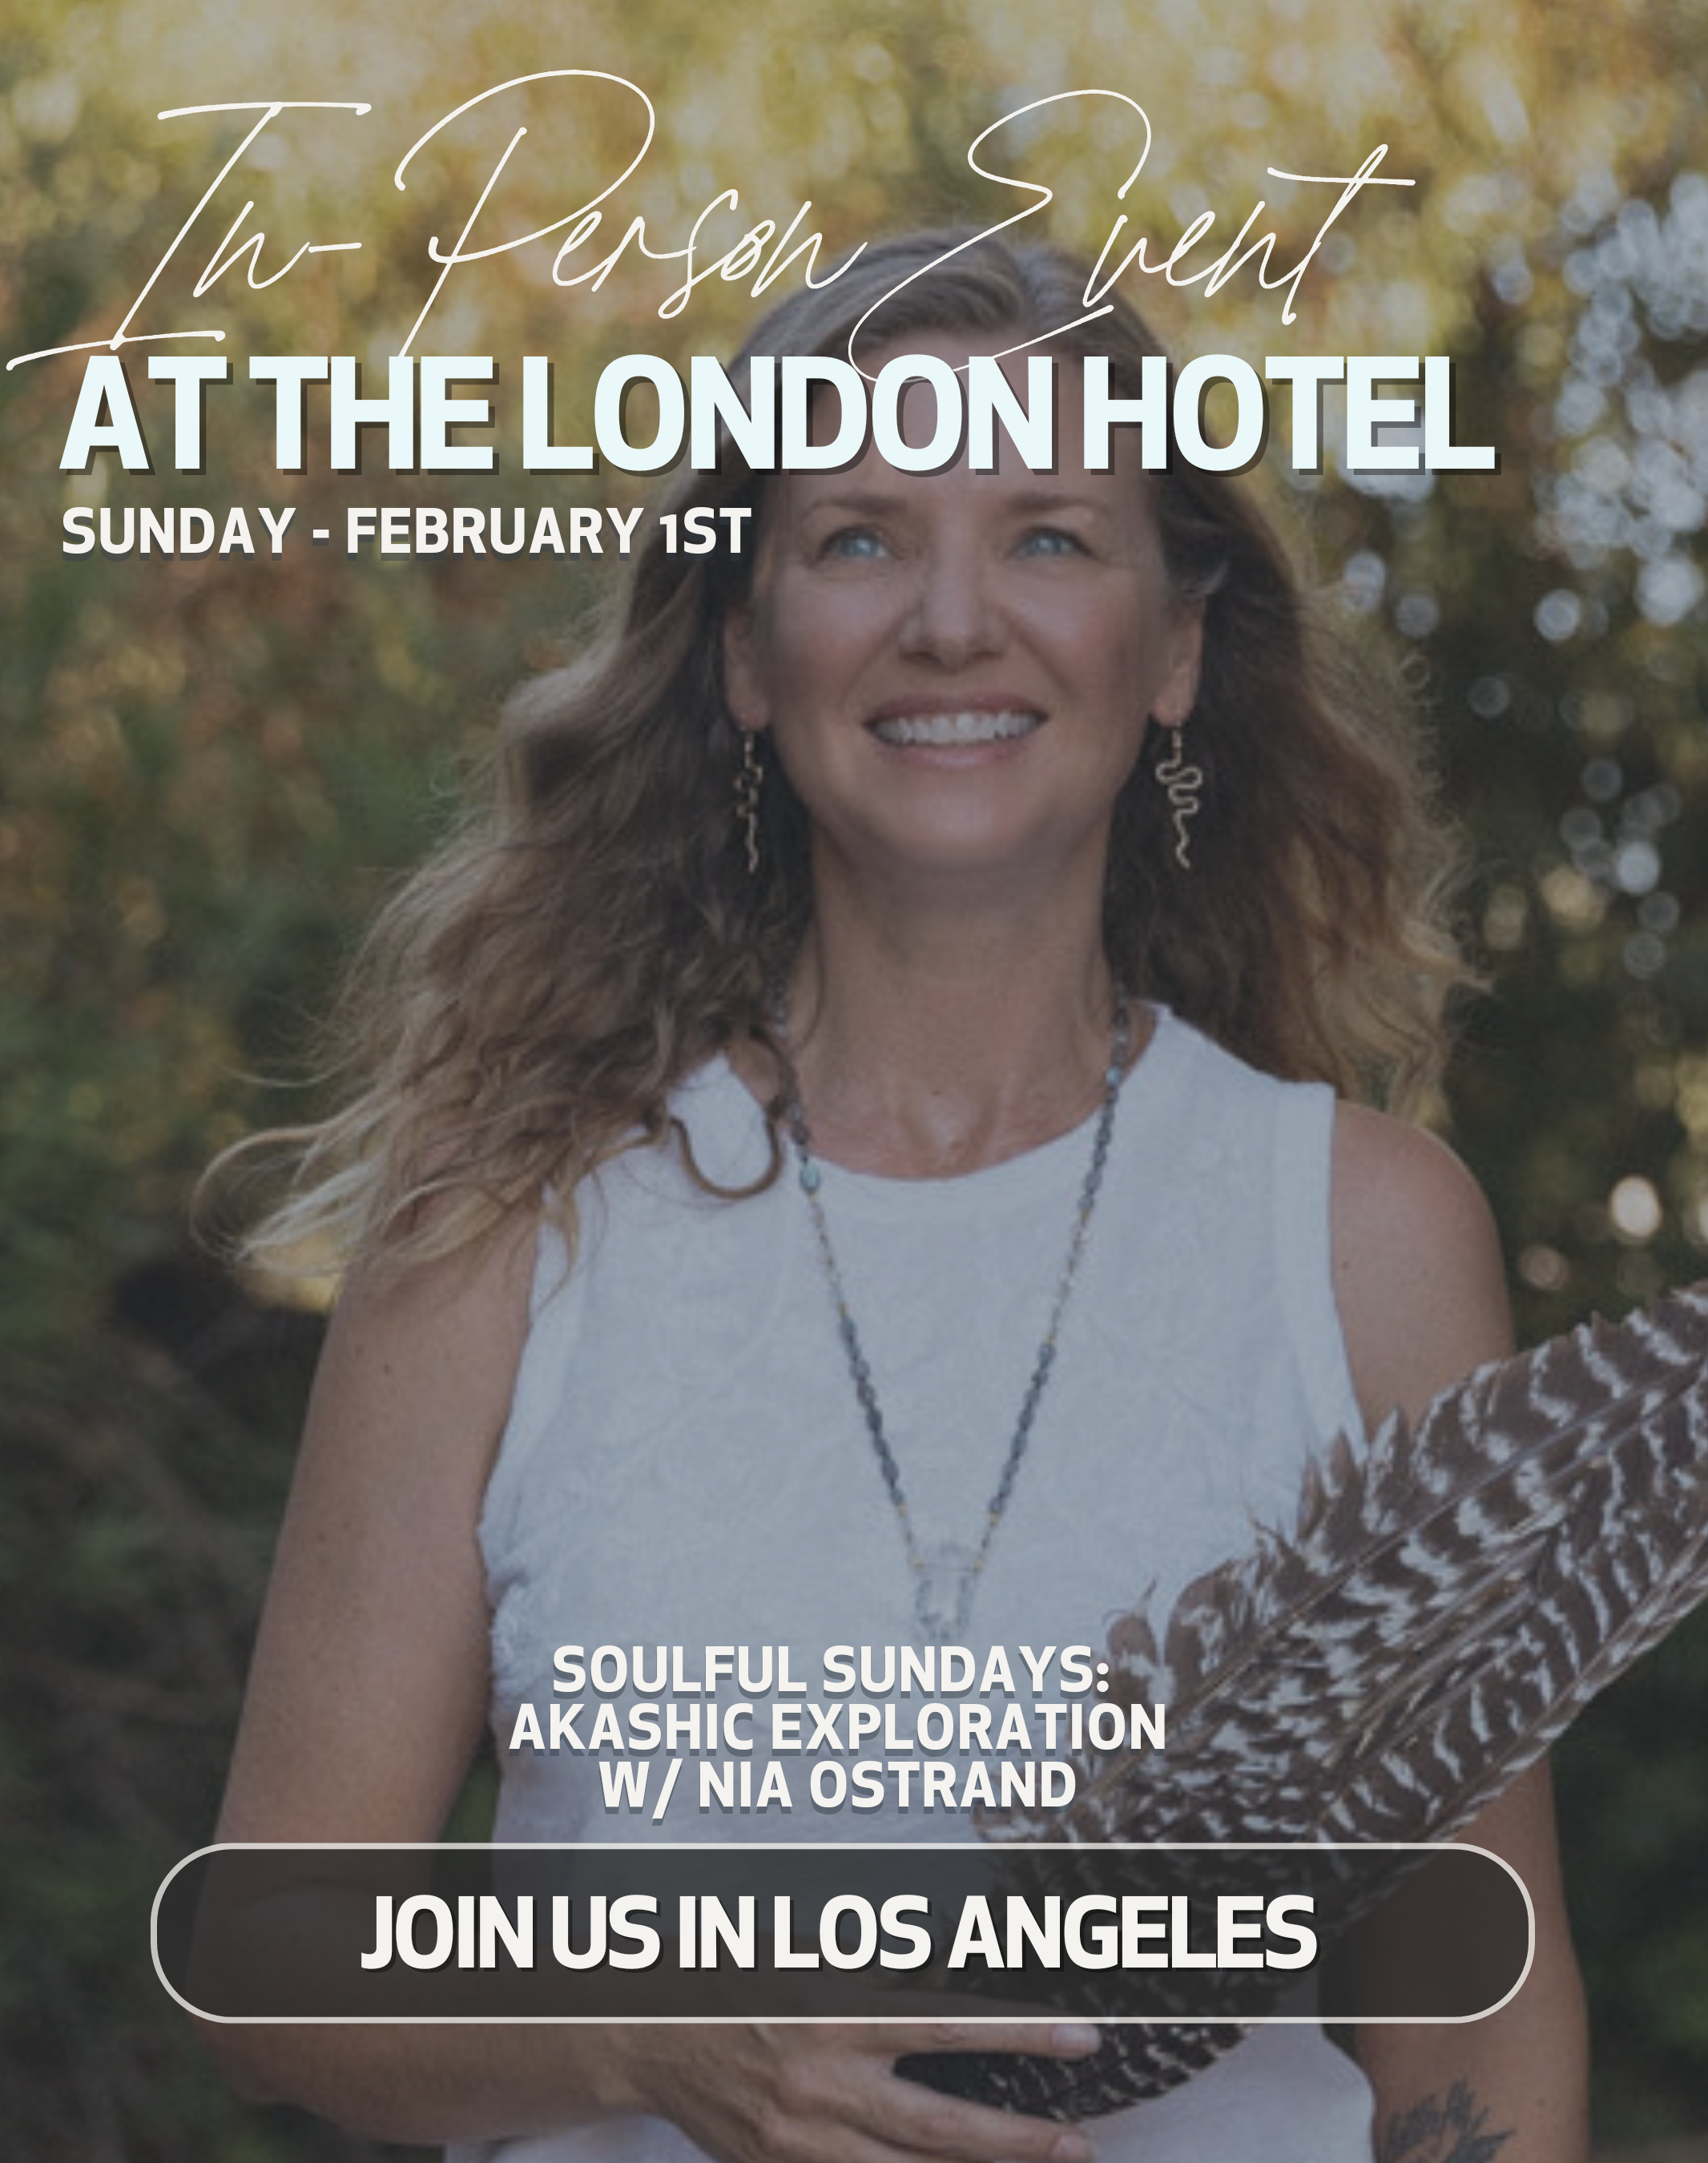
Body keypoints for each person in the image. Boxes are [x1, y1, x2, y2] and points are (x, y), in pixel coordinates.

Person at [204, 231, 1589, 2162]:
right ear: (748, 654)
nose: (954, 622)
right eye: (859, 537)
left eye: (1048, 535)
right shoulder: (506, 1225)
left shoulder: (1364, 1238)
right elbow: (272, 1963)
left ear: (1175, 645)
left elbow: (1481, 1993)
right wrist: (653, 2033)